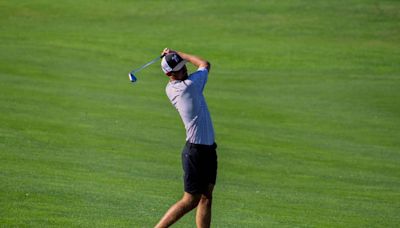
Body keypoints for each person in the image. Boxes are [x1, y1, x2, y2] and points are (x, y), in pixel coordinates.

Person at [155, 48, 218, 228]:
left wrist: (175, 57)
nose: (185, 69)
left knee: (206, 197)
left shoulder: (172, 88)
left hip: (207, 149)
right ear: (169, 73)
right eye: (180, 68)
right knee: (190, 200)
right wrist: (180, 54)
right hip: (195, 152)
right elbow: (205, 64)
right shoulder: (189, 86)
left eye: (183, 66)